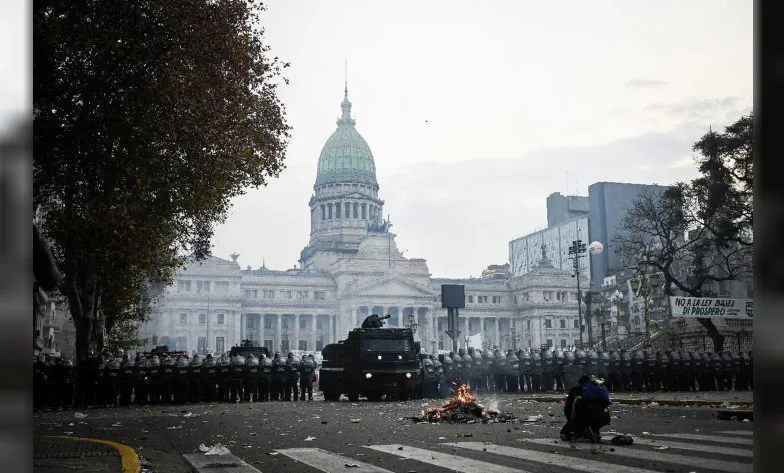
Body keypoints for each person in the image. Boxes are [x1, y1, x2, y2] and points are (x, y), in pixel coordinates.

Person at [560, 375, 611, 443]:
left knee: (566, 431)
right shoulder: (600, 387)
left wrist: (570, 422)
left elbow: (568, 407)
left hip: (584, 417)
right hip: (605, 418)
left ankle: (587, 429)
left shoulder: (577, 388)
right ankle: (594, 429)